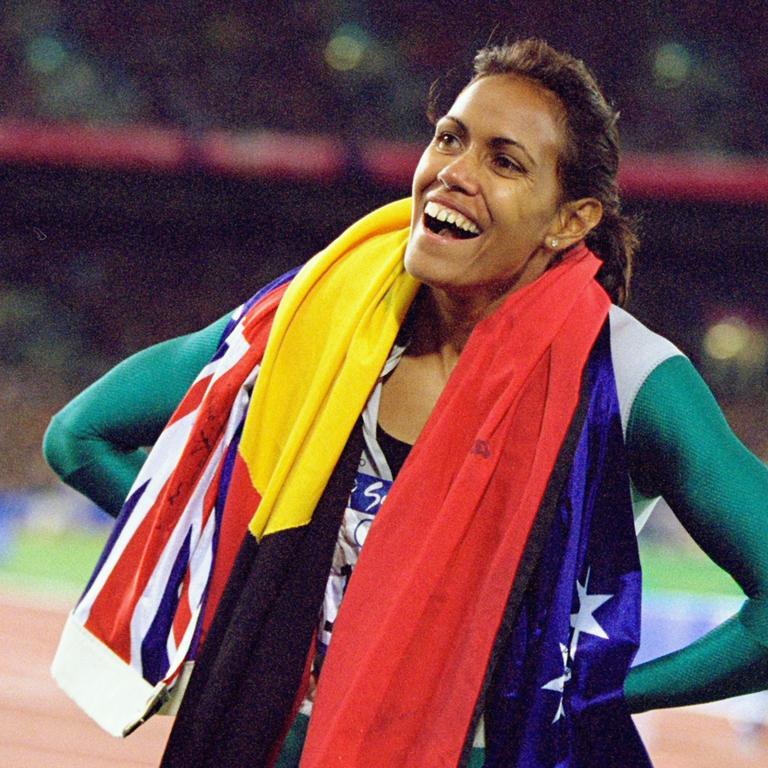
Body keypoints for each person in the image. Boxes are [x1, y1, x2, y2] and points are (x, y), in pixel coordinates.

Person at [44, 39, 768, 768]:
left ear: (570, 221)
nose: (454, 173)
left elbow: (82, 439)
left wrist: (598, 693)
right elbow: (79, 436)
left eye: (504, 161)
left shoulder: (630, 377)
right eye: (450, 138)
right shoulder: (316, 319)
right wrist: (240, 578)